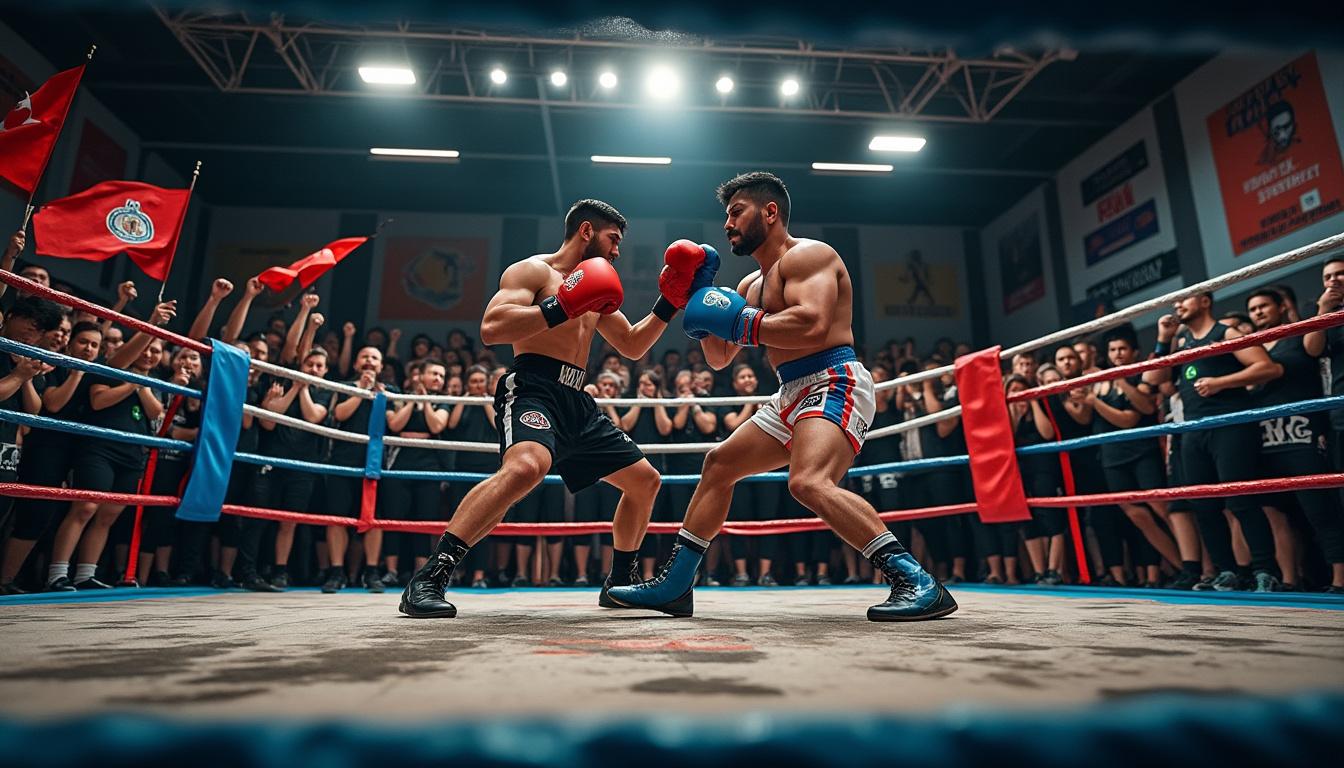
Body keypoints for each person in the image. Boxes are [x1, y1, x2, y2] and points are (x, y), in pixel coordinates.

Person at [608, 172, 955, 621]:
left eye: (736, 213)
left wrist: (737, 322)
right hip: (791, 390)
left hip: (834, 378)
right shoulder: (749, 286)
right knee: (719, 465)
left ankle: (917, 580)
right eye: (726, 216)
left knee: (808, 482)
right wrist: (694, 298)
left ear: (770, 212)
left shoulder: (811, 256)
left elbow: (811, 323)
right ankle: (676, 586)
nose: (727, 225)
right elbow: (718, 358)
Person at [399, 199, 717, 618]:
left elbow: (633, 344)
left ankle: (620, 583)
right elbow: (492, 328)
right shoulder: (533, 271)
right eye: (613, 239)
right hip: (533, 386)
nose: (617, 251)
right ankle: (429, 578)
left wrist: (670, 302)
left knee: (645, 482)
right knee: (526, 467)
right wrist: (560, 306)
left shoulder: (598, 283)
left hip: (577, 400)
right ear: (587, 231)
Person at [1144, 292, 1283, 591]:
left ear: (1205, 301)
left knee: (1240, 500)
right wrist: (1162, 338)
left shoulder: (1225, 332)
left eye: (1186, 299)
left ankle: (1265, 571)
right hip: (1194, 431)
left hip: (1229, 426)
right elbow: (1154, 380)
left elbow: (1269, 367)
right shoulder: (1180, 342)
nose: (1177, 304)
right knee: (1203, 505)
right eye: (1175, 300)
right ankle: (1226, 571)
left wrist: (1221, 382)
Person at [1252, 289, 1344, 590]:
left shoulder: (1298, 333)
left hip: (1302, 432)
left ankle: (1339, 580)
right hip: (1266, 436)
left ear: (1282, 307)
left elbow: (1314, 350)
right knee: (1276, 512)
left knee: (1319, 509)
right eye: (1253, 309)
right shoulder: (1251, 347)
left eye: (1264, 306)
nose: (1258, 312)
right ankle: (1291, 579)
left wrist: (1319, 309)